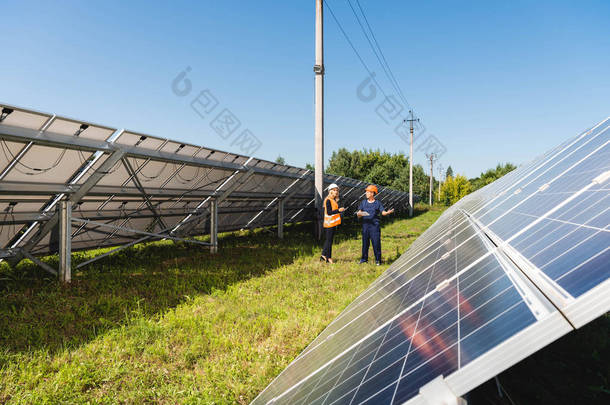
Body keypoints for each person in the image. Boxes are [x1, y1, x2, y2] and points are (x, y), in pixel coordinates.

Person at [357, 185, 394, 265]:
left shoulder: (378, 203)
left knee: (376, 243)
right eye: (366, 191)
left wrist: (387, 212)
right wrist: (359, 214)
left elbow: (383, 212)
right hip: (365, 226)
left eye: (367, 192)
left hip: (374, 227)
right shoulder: (363, 202)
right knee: (365, 243)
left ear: (372, 193)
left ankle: (378, 260)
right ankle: (364, 259)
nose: (366, 193)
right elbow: (359, 214)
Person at [321, 183, 345, 264]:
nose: (336, 192)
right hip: (329, 224)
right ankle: (328, 258)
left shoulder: (333, 200)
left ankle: (323, 255)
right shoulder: (328, 200)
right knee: (329, 241)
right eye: (334, 190)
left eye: (337, 190)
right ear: (330, 191)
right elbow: (329, 212)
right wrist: (339, 210)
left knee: (328, 240)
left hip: (333, 223)